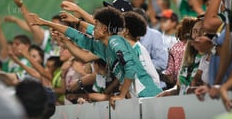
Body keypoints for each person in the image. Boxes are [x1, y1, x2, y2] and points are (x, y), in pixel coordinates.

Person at [28, 7, 162, 108]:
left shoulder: (115, 41)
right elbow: (77, 36)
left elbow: (130, 68)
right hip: (138, 98)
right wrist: (47, 24)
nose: (93, 28)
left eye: (96, 24)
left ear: (104, 29)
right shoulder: (104, 47)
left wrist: (121, 95)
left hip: (148, 95)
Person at [160, 17, 197, 89]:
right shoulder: (198, 46)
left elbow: (169, 73)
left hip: (178, 86)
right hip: (195, 85)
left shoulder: (174, 48)